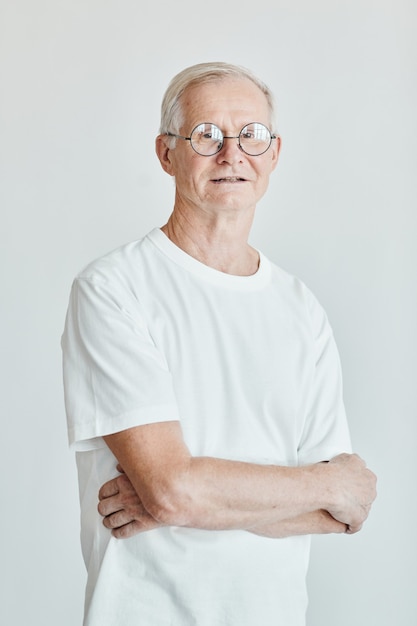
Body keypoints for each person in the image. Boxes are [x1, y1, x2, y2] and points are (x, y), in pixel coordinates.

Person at [62, 62, 377, 626]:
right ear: (166, 153)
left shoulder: (301, 309)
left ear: (274, 154)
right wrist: (322, 481)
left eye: (251, 135)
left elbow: (341, 511)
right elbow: (173, 491)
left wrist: (189, 499)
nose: (233, 155)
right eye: (206, 135)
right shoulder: (113, 289)